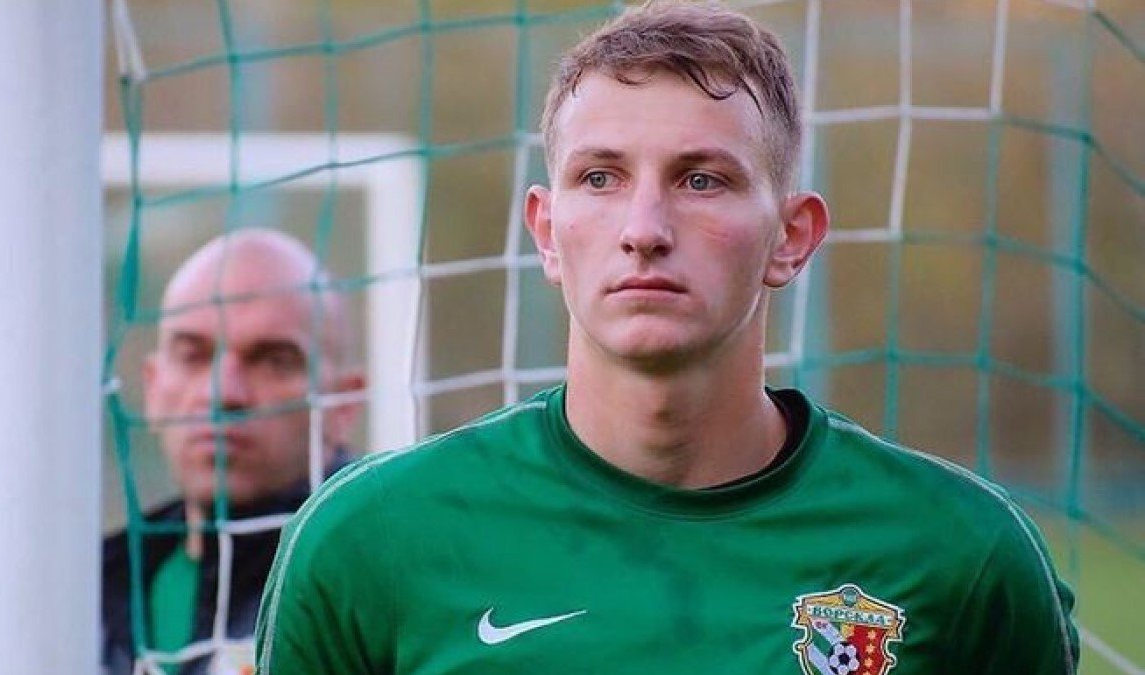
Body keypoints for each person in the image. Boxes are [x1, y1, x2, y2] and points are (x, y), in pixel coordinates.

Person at [256, 3, 1079, 674]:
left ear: (792, 236)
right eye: (600, 177)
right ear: (546, 231)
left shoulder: (962, 555)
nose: (643, 228)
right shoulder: (368, 540)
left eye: (701, 179)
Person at [102, 229, 365, 675]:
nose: (222, 392)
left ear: (343, 404)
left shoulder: (383, 579)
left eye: (273, 360)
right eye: (193, 355)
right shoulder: (88, 588)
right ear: (152, 386)